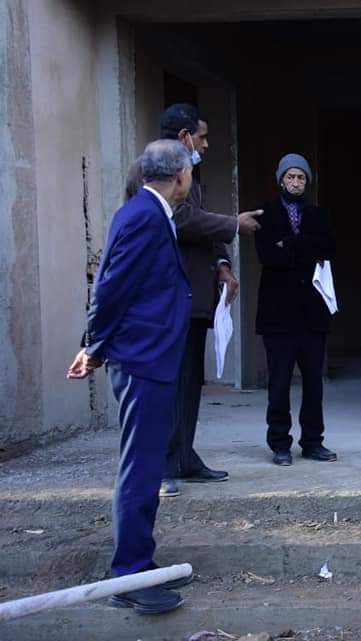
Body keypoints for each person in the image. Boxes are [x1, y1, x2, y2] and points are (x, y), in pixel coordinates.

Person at [67, 140, 194, 614]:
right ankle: (129, 575)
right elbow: (111, 288)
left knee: (146, 465)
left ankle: (141, 564)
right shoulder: (144, 215)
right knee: (141, 468)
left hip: (149, 356)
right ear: (179, 175)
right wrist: (94, 346)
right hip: (142, 358)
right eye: (190, 169)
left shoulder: (150, 211)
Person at [158, 103, 264, 498]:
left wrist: (222, 265)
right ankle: (164, 465)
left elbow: (200, 222)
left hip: (196, 298)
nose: (206, 145)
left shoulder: (189, 176)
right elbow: (183, 220)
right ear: (184, 136)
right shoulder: (158, 174)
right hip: (172, 298)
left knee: (190, 382)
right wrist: (234, 224)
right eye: (201, 137)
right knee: (171, 384)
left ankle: (184, 457)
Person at [254, 154, 338, 467]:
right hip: (278, 313)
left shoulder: (319, 214)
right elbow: (267, 255)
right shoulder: (266, 213)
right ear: (280, 180)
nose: (296, 182)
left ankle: (313, 441)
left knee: (314, 382)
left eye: (301, 177)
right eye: (290, 176)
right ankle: (279, 443)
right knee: (279, 382)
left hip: (312, 312)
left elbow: (327, 249)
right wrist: (304, 246)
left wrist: (288, 244)